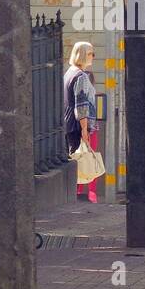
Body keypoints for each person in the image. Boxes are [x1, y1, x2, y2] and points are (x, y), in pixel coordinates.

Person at [63, 41, 97, 199]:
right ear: (82, 55)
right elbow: (81, 104)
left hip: (67, 121)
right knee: (77, 158)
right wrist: (85, 128)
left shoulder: (70, 72)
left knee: (72, 157)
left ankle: (71, 194)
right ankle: (73, 196)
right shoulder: (81, 76)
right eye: (91, 53)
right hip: (77, 124)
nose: (93, 57)